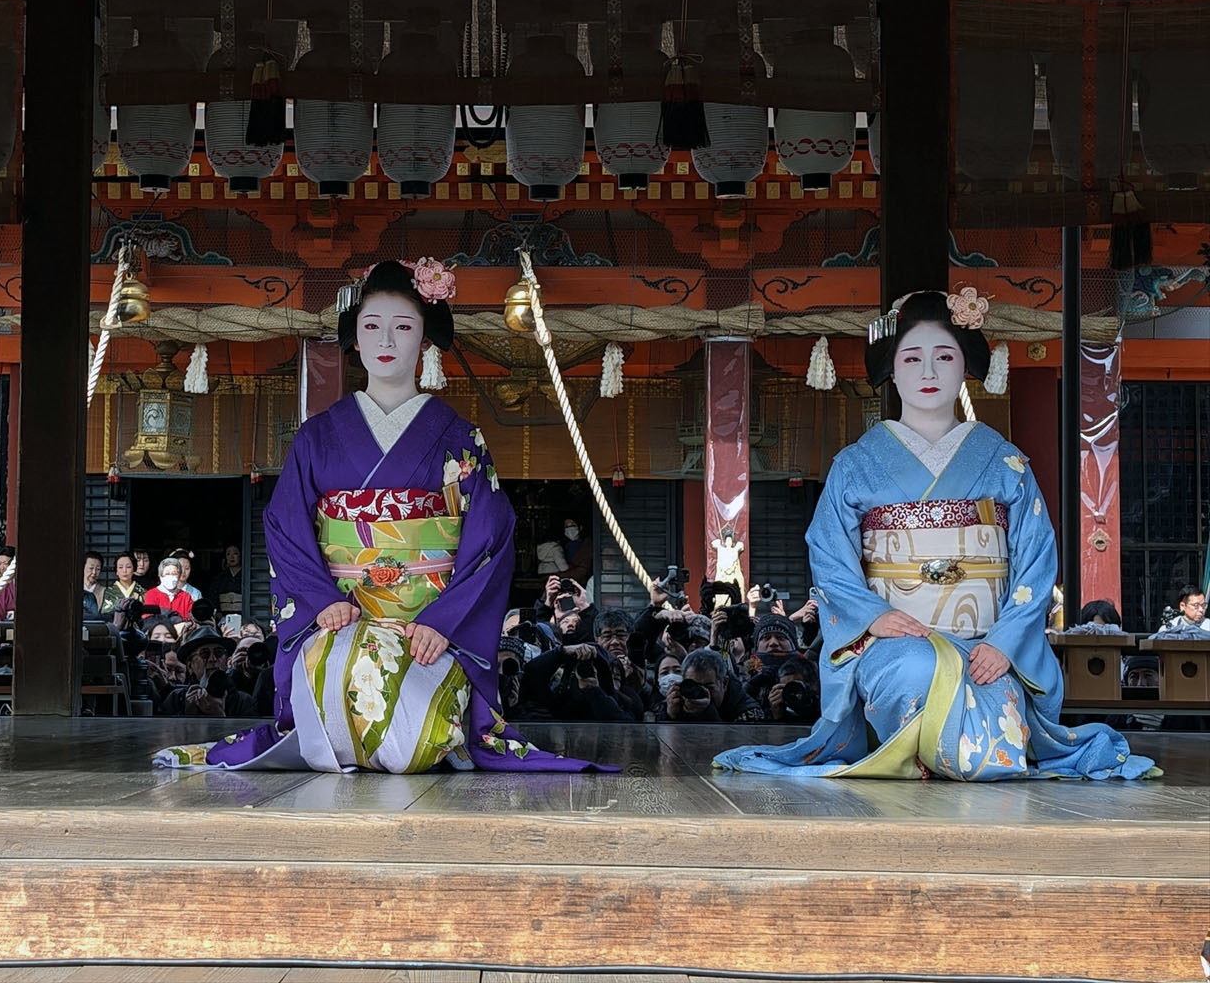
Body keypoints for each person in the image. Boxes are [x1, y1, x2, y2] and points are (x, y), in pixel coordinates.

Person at [155, 258, 608, 772]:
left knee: (412, 746)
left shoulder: (459, 437)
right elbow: (284, 525)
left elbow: (491, 536)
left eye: (404, 326)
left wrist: (443, 622)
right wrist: (322, 600)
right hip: (339, 618)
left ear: (425, 339)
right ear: (355, 337)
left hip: (430, 627)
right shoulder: (317, 436)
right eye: (371, 326)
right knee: (343, 684)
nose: (386, 340)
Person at [715, 289, 1155, 780]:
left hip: (984, 643)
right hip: (897, 644)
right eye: (912, 358)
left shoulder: (1004, 461)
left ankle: (933, 760)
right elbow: (829, 553)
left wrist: (1007, 643)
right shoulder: (856, 465)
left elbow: (1036, 559)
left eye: (944, 356)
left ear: (964, 365)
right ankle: (922, 755)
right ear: (892, 368)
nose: (929, 372)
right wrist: (873, 616)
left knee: (994, 732)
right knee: (916, 672)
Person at [79, 551, 106, 619]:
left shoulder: (105, 591)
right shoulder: (76, 589)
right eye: (91, 568)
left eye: (98, 569)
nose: (94, 572)